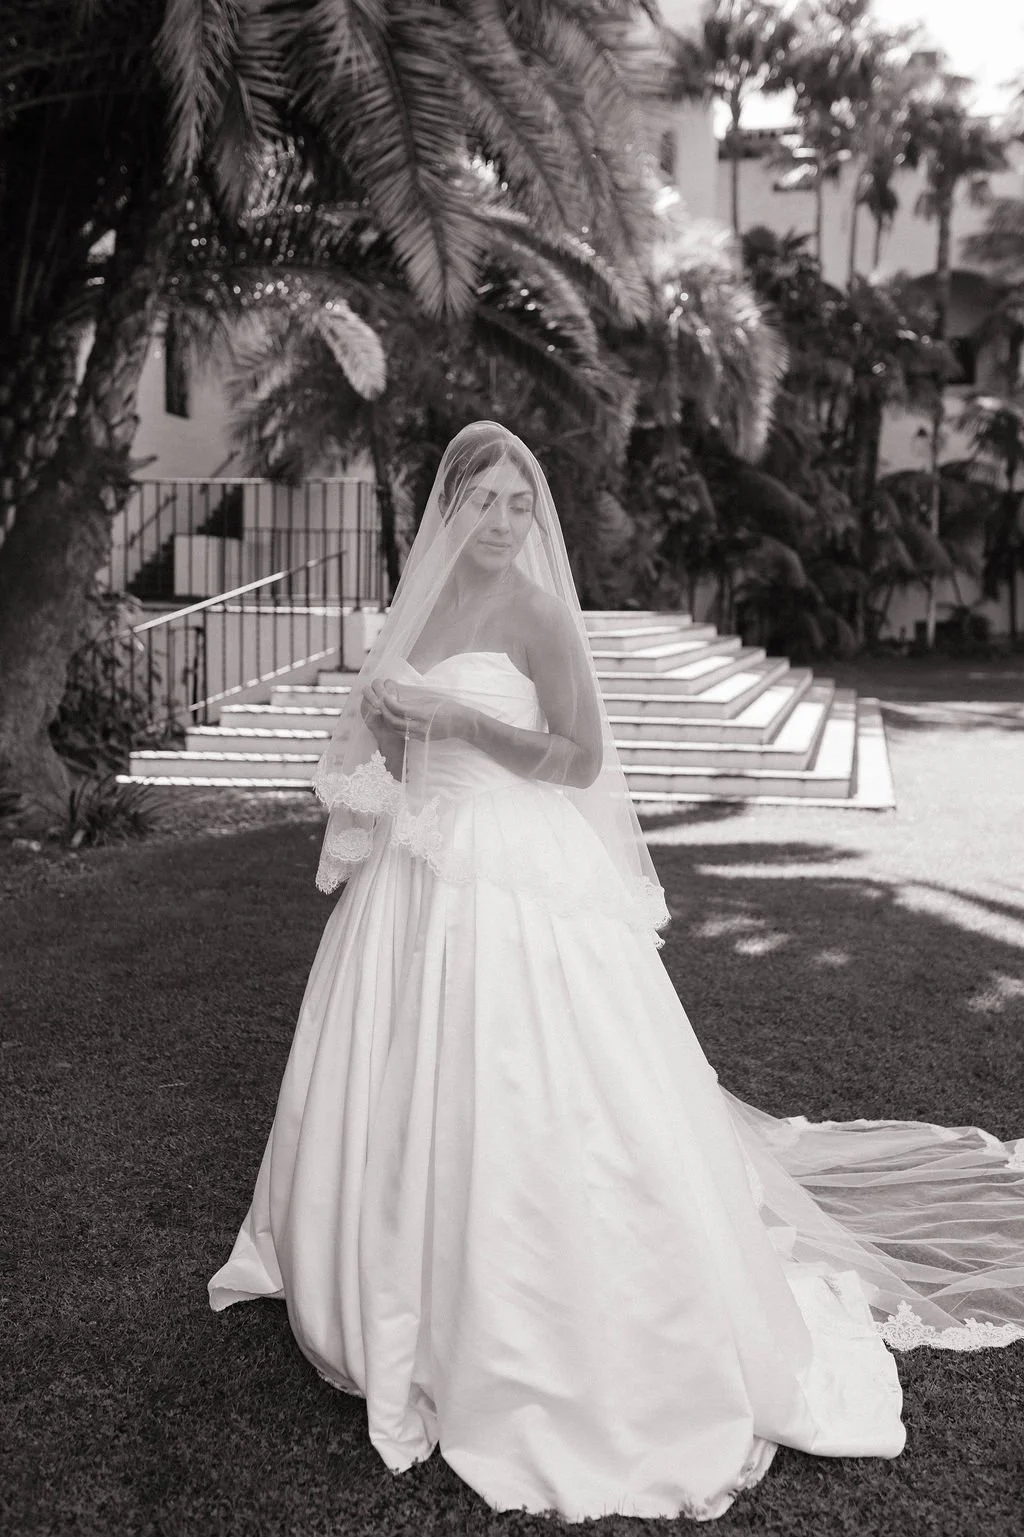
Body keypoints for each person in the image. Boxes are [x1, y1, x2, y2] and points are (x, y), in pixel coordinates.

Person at [208, 421, 1024, 1523]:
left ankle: (543, 1309)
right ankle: (373, 1267)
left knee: (535, 1088)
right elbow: (389, 750)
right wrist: (386, 750)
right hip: (415, 874)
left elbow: (582, 760)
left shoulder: (540, 614)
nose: (500, 523)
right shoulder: (413, 609)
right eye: (481, 502)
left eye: (516, 504)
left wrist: (456, 715)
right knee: (389, 1081)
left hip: (515, 874)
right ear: (447, 507)